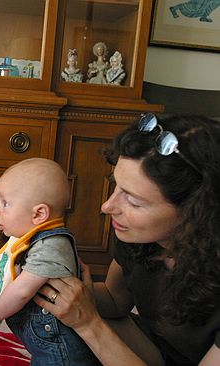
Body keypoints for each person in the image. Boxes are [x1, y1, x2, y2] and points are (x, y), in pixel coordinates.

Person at [36, 113, 220, 365]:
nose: (107, 206)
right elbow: (114, 299)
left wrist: (89, 324)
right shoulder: (140, 239)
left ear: (196, 212)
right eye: (116, 185)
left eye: (133, 201)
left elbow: (92, 321)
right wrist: (61, 283)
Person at [0, 158, 99, 365]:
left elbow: (23, 289)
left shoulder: (52, 246)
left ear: (39, 214)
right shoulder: (25, 236)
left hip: (60, 348)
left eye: (5, 203)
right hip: (43, 341)